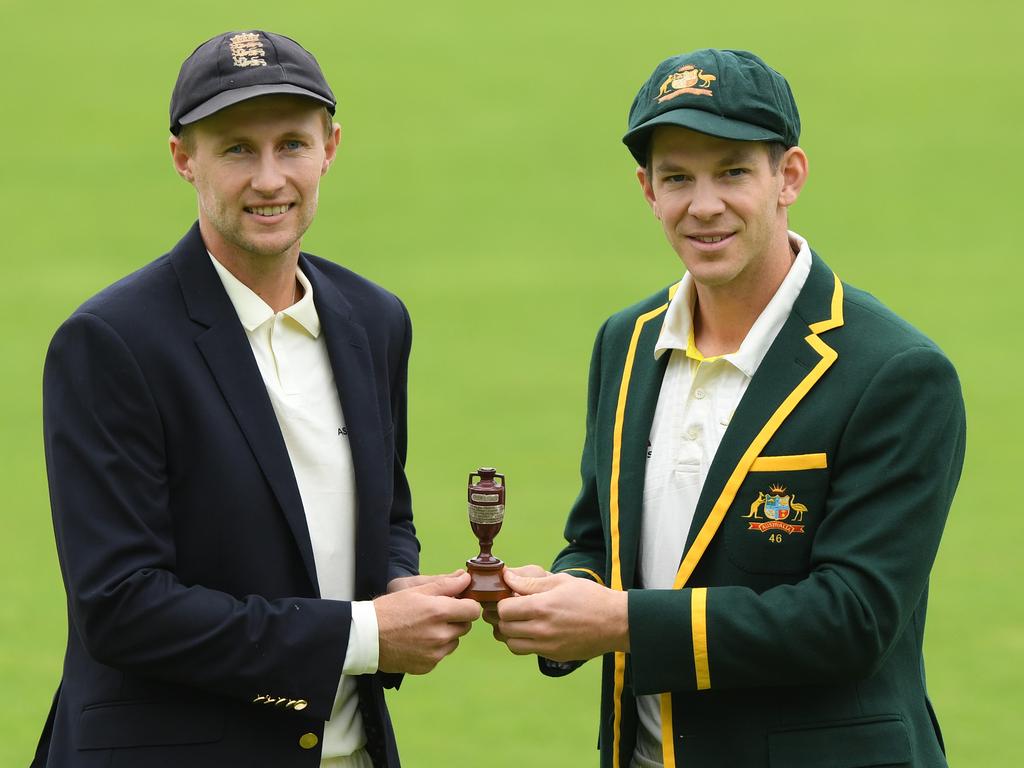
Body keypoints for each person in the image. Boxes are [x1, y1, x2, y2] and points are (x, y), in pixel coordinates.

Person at [489, 49, 966, 768]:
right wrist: (560, 597)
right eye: (677, 177)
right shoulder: (627, 341)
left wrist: (618, 623)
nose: (702, 204)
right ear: (647, 189)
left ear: (789, 177)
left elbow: (853, 619)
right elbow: (598, 539)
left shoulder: (896, 372)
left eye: (733, 171)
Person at [33, 30, 481, 768]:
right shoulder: (110, 343)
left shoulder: (374, 320)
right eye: (237, 149)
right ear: (185, 158)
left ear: (330, 146)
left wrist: (405, 586)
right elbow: (121, 609)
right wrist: (367, 634)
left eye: (292, 146)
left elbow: (386, 515)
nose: (270, 179)